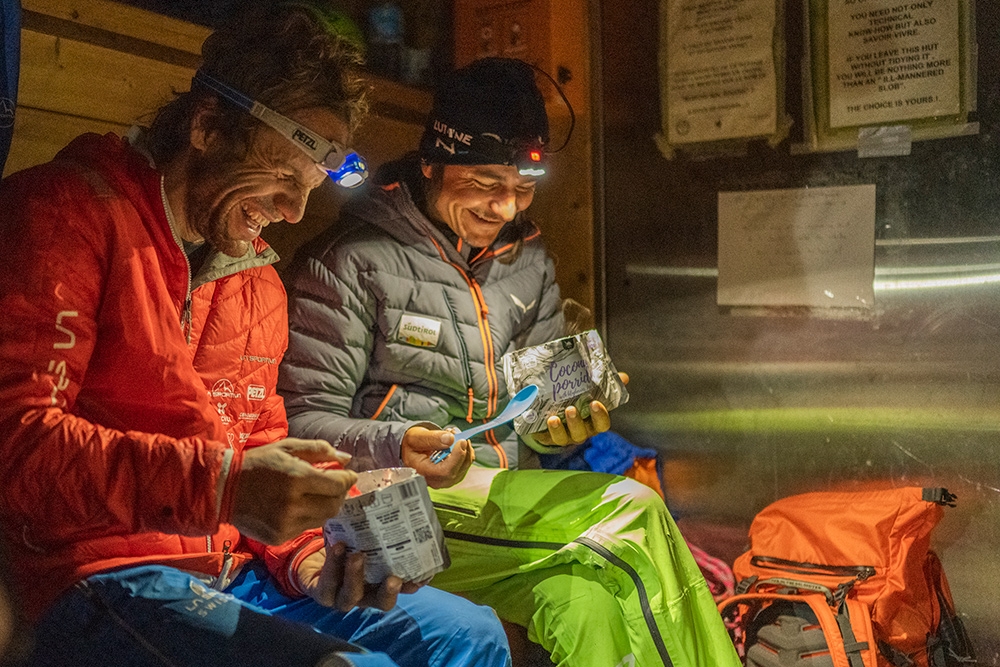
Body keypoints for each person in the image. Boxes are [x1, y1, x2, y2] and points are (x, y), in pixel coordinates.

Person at [0, 6, 509, 667]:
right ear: (209, 126)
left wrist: (309, 553)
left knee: (469, 635)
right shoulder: (67, 216)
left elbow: (258, 440)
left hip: (228, 565)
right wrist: (222, 489)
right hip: (99, 575)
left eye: (311, 187)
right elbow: (20, 444)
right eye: (286, 175)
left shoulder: (255, 280)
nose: (295, 212)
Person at [278, 57, 741, 667]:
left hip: (501, 506)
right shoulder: (348, 261)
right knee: (633, 510)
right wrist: (401, 439)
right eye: (487, 183)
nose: (504, 208)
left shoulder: (527, 261)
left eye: (522, 189)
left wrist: (564, 422)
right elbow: (302, 427)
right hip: (397, 506)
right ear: (433, 164)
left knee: (586, 602)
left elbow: (538, 416)